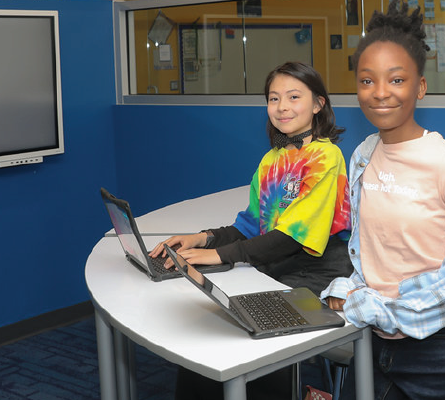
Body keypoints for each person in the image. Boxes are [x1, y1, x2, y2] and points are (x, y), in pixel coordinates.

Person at [320, 1, 445, 399]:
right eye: (367, 81)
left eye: (397, 80)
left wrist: (393, 310)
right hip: (373, 340)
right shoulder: (363, 156)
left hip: (440, 350)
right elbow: (373, 253)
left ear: (420, 86)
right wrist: (354, 291)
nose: (380, 93)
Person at [149, 61, 353, 400]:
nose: (282, 107)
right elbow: (251, 226)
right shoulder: (272, 159)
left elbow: (291, 236)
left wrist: (216, 255)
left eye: (293, 97)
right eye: (274, 98)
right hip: (276, 262)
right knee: (210, 331)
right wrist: (202, 238)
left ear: (318, 104)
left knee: (246, 333)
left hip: (317, 270)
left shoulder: (326, 158)